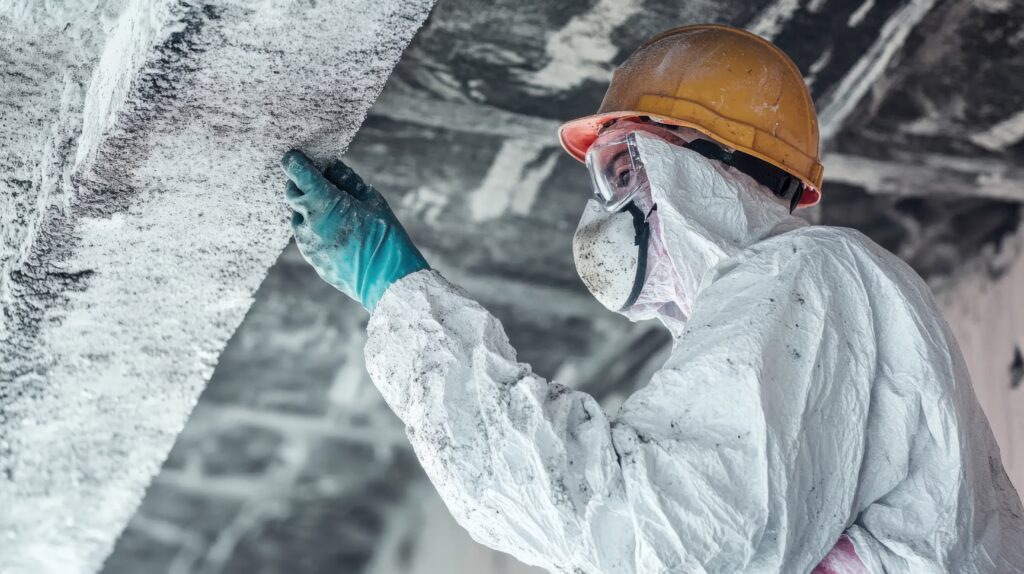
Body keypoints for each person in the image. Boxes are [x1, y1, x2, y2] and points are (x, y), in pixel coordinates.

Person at [280, 24, 1024, 574]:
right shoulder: (804, 302)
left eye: (622, 168)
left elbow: (655, 536)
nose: (606, 204)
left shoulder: (808, 275)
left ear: (696, 165)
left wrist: (399, 291)